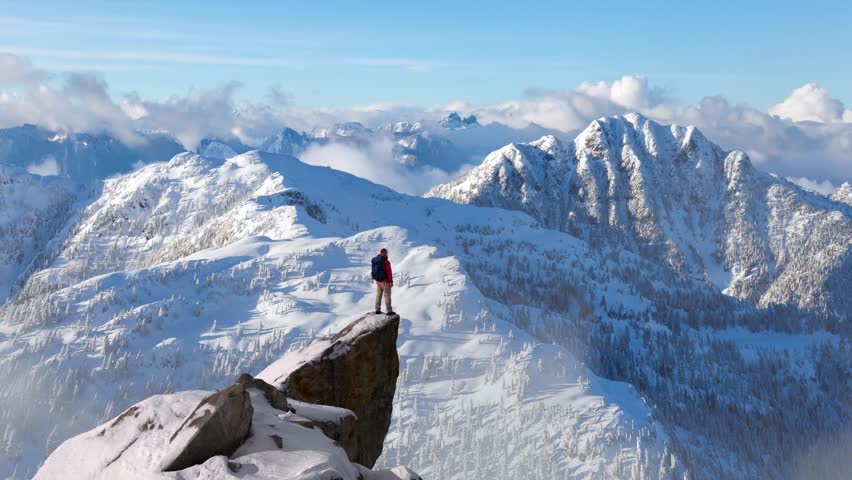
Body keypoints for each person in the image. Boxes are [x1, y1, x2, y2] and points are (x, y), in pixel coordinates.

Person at [371, 248, 394, 315]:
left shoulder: (375, 260)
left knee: (378, 296)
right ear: (384, 253)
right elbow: (389, 272)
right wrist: (391, 281)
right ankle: (389, 311)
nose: (387, 254)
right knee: (387, 296)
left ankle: (377, 309)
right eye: (386, 253)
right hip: (385, 282)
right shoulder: (386, 261)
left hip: (378, 281)